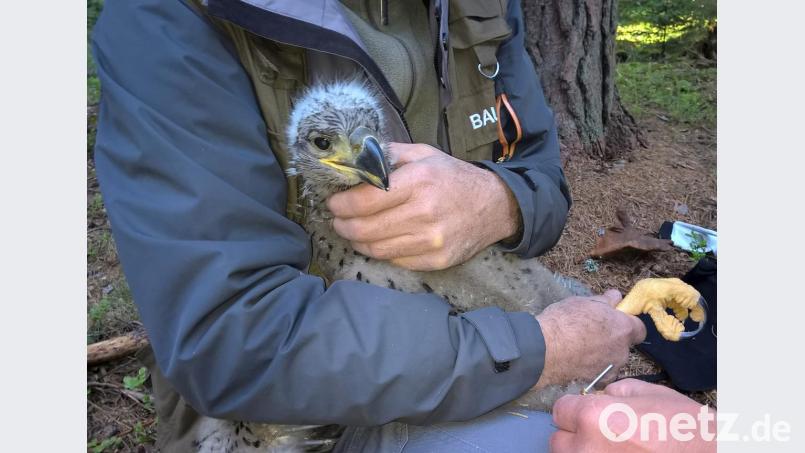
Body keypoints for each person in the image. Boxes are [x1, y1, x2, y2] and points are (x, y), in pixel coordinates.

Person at [91, 0, 646, 451]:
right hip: (294, 418)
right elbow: (233, 337)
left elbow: (541, 175)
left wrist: (500, 200)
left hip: (484, 339)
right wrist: (540, 349)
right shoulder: (167, 18)